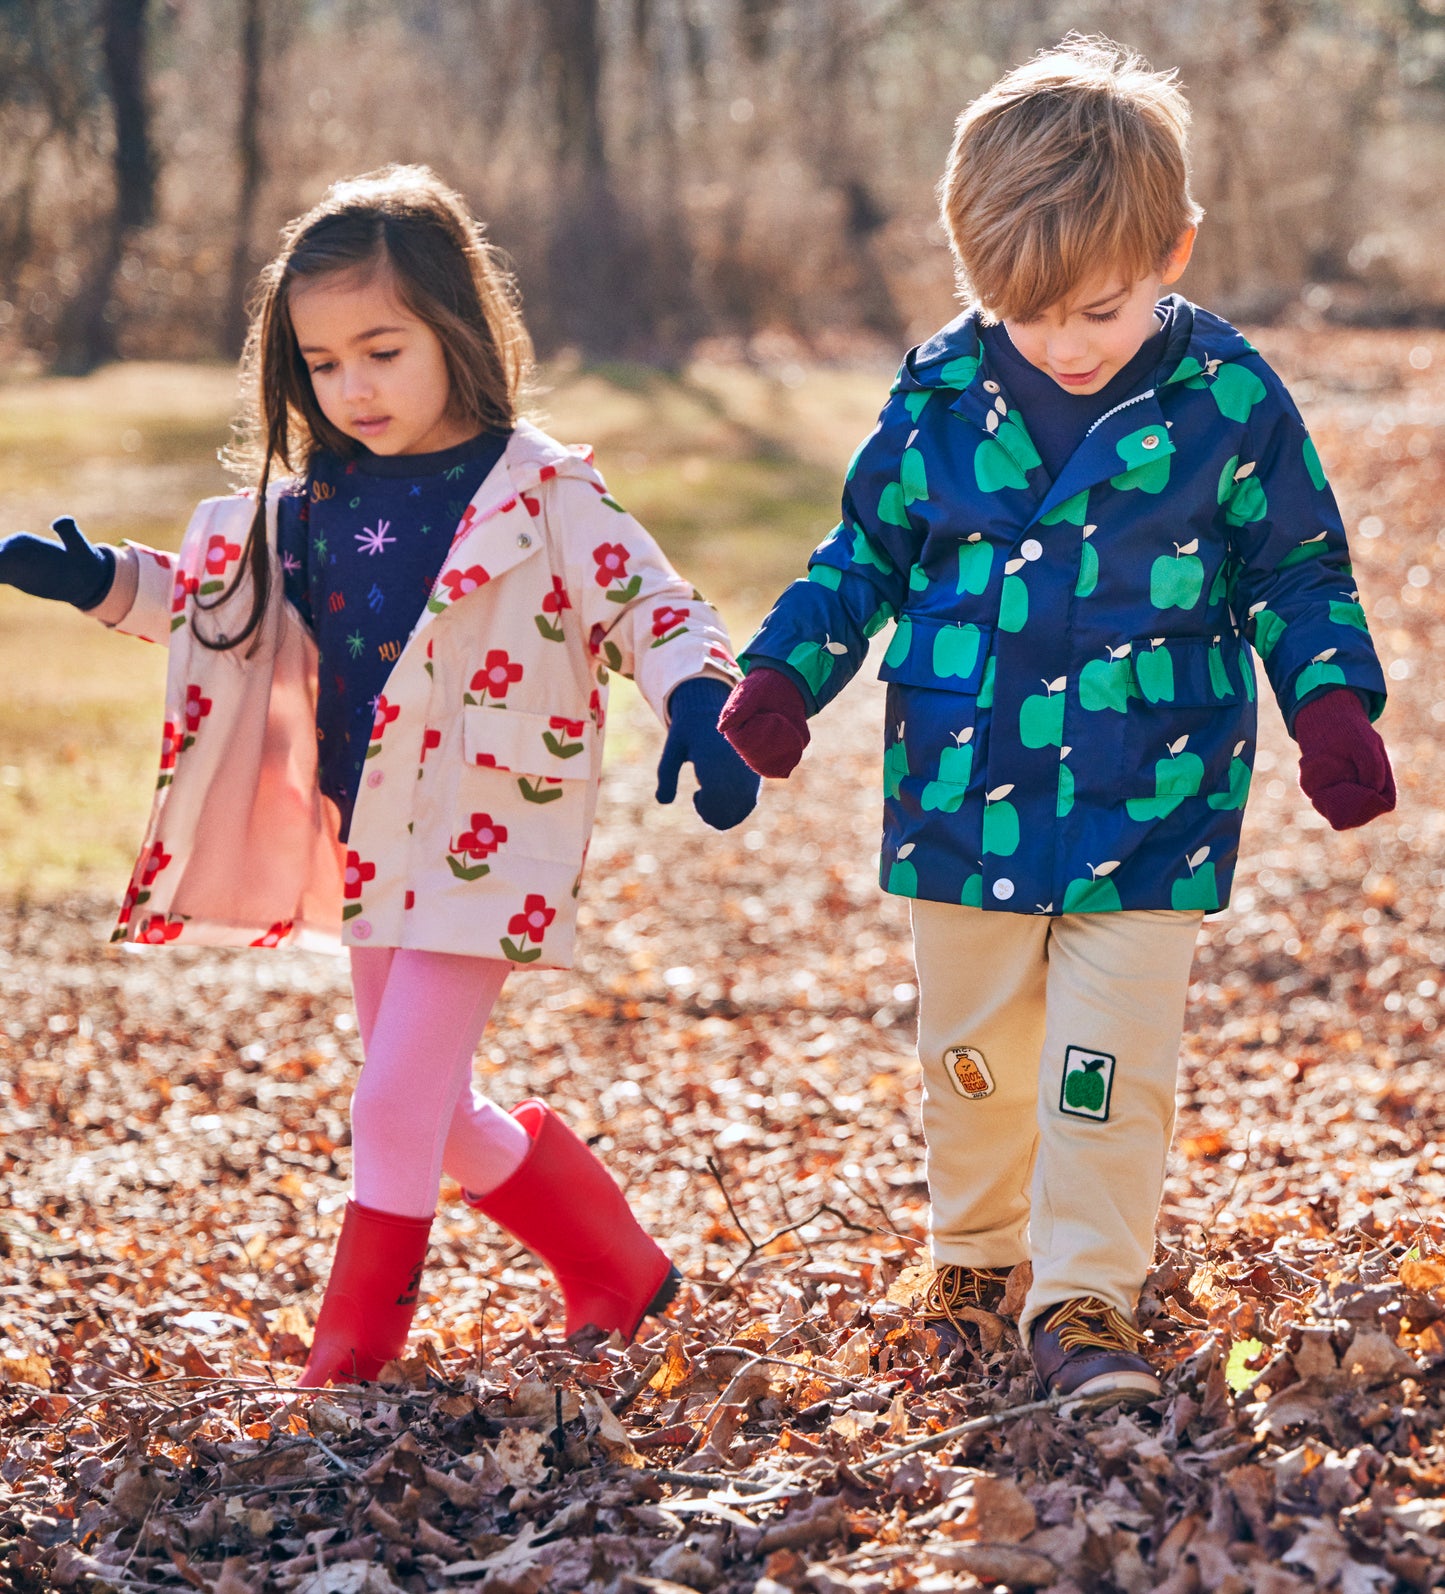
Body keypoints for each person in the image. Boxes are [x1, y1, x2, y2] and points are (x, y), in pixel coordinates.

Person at [0, 165, 759, 1387]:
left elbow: (654, 608)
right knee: (438, 1110)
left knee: (394, 1105)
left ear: (455, 329)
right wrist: (103, 584)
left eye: (382, 350)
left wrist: (699, 704)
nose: (352, 387)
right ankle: (622, 1267)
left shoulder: (542, 493)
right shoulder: (316, 502)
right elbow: (218, 609)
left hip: (485, 841)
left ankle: (347, 1367)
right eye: (322, 362)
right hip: (372, 844)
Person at [719, 37, 1394, 1406]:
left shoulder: (1227, 402)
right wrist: (787, 673)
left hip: (1151, 803)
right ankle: (975, 1257)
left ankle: (1085, 1298)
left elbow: (1295, 567)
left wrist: (1328, 702)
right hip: (964, 797)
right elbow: (864, 554)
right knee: (972, 1058)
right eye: (1028, 316)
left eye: (1100, 308)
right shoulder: (940, 394)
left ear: (1175, 250)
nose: (1066, 345)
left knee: (1102, 1067)